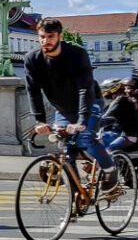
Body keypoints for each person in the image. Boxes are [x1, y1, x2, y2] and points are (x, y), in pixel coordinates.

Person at [25, 18, 122, 197]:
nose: (46, 41)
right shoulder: (33, 59)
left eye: (51, 36)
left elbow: (85, 88)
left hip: (89, 102)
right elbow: (33, 91)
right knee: (66, 148)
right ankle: (76, 195)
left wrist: (82, 121)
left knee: (85, 137)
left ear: (60, 36)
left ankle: (110, 170)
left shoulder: (76, 54)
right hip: (63, 109)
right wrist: (39, 120)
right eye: (42, 37)